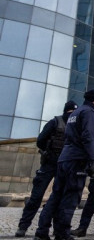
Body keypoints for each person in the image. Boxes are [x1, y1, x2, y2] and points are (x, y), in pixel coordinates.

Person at [34, 89, 94, 240]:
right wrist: (93, 159)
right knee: (71, 197)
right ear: (93, 100)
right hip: (77, 160)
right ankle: (62, 233)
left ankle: (41, 232)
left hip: (64, 158)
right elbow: (88, 136)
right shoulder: (89, 113)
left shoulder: (74, 114)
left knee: (56, 195)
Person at [14, 101, 77, 238]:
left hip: (64, 166)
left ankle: (57, 229)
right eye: (71, 112)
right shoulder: (55, 122)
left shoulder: (75, 126)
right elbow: (40, 140)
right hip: (50, 164)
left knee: (59, 198)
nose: (72, 115)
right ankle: (23, 226)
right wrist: (48, 153)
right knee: (36, 197)